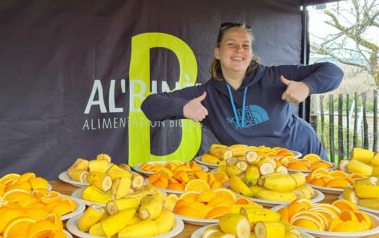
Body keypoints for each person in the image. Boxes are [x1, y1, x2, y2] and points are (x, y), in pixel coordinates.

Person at [141, 22, 344, 160]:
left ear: (251, 53)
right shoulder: (206, 95)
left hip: (304, 155)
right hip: (252, 171)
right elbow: (149, 105)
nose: (239, 50)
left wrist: (307, 86)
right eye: (231, 45)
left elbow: (333, 71)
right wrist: (183, 107)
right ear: (218, 52)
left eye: (245, 46)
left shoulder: (274, 76)